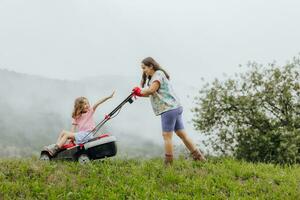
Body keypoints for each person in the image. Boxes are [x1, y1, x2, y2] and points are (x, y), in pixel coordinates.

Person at [132, 57, 205, 164]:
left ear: (151, 66)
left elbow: (151, 90)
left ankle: (169, 164)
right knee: (182, 134)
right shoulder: (157, 75)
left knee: (167, 137)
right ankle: (199, 158)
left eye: (144, 68)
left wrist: (140, 92)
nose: (143, 70)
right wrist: (139, 94)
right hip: (175, 107)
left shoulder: (157, 75)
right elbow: (153, 94)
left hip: (168, 109)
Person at [46, 91, 115, 156]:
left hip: (87, 135)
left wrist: (108, 97)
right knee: (63, 132)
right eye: (85, 104)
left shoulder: (90, 112)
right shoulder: (76, 116)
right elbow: (73, 129)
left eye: (87, 103)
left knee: (66, 135)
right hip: (81, 135)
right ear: (80, 106)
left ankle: (55, 149)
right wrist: (71, 139)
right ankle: (57, 146)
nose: (87, 105)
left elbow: (98, 103)